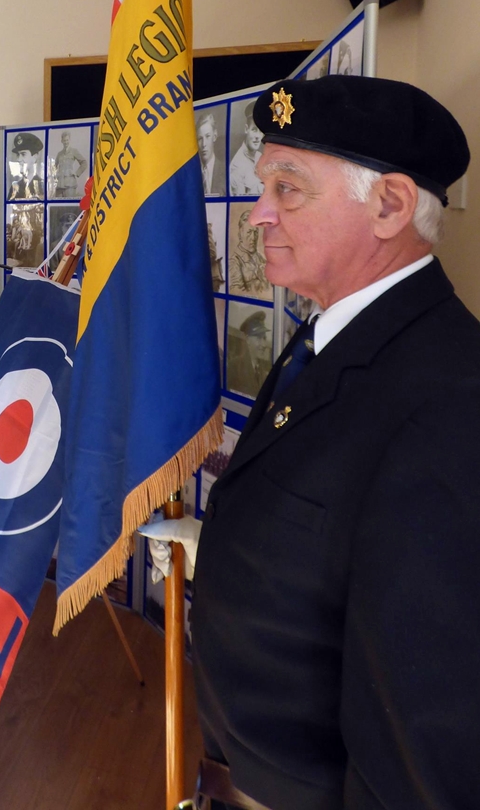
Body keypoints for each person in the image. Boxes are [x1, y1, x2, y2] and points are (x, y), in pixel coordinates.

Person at [143, 76, 480, 809]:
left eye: (288, 189)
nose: (258, 214)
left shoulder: (448, 402)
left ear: (389, 205)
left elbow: (421, 744)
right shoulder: (332, 331)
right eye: (264, 185)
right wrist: (221, 544)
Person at [226, 309, 271, 399]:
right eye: (258, 338)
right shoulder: (234, 366)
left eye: (264, 338)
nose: (264, 344)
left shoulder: (262, 370)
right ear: (247, 339)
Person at [229, 206, 269, 296]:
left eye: (255, 232)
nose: (253, 237)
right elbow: (237, 294)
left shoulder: (260, 258)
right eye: (249, 232)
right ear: (240, 234)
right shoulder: (234, 262)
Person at [229, 101, 264, 196]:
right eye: (254, 130)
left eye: (260, 131)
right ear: (246, 129)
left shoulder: (260, 157)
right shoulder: (237, 167)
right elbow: (239, 206)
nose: (257, 136)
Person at [7, 131, 44, 200]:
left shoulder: (42, 186)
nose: (19, 159)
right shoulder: (15, 186)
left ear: (35, 156)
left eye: (23, 154)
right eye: (18, 155)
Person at [197, 112, 226, 195]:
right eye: (200, 138)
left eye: (207, 136)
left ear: (215, 136)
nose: (203, 144)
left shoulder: (225, 171)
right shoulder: (193, 174)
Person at [53, 131, 88, 198]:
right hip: (59, 185)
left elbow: (84, 163)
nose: (66, 142)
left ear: (70, 140)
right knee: (57, 206)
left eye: (67, 140)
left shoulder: (74, 151)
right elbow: (54, 167)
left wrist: (76, 173)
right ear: (61, 141)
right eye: (64, 140)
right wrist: (55, 175)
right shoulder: (59, 154)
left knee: (68, 206)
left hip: (70, 185)